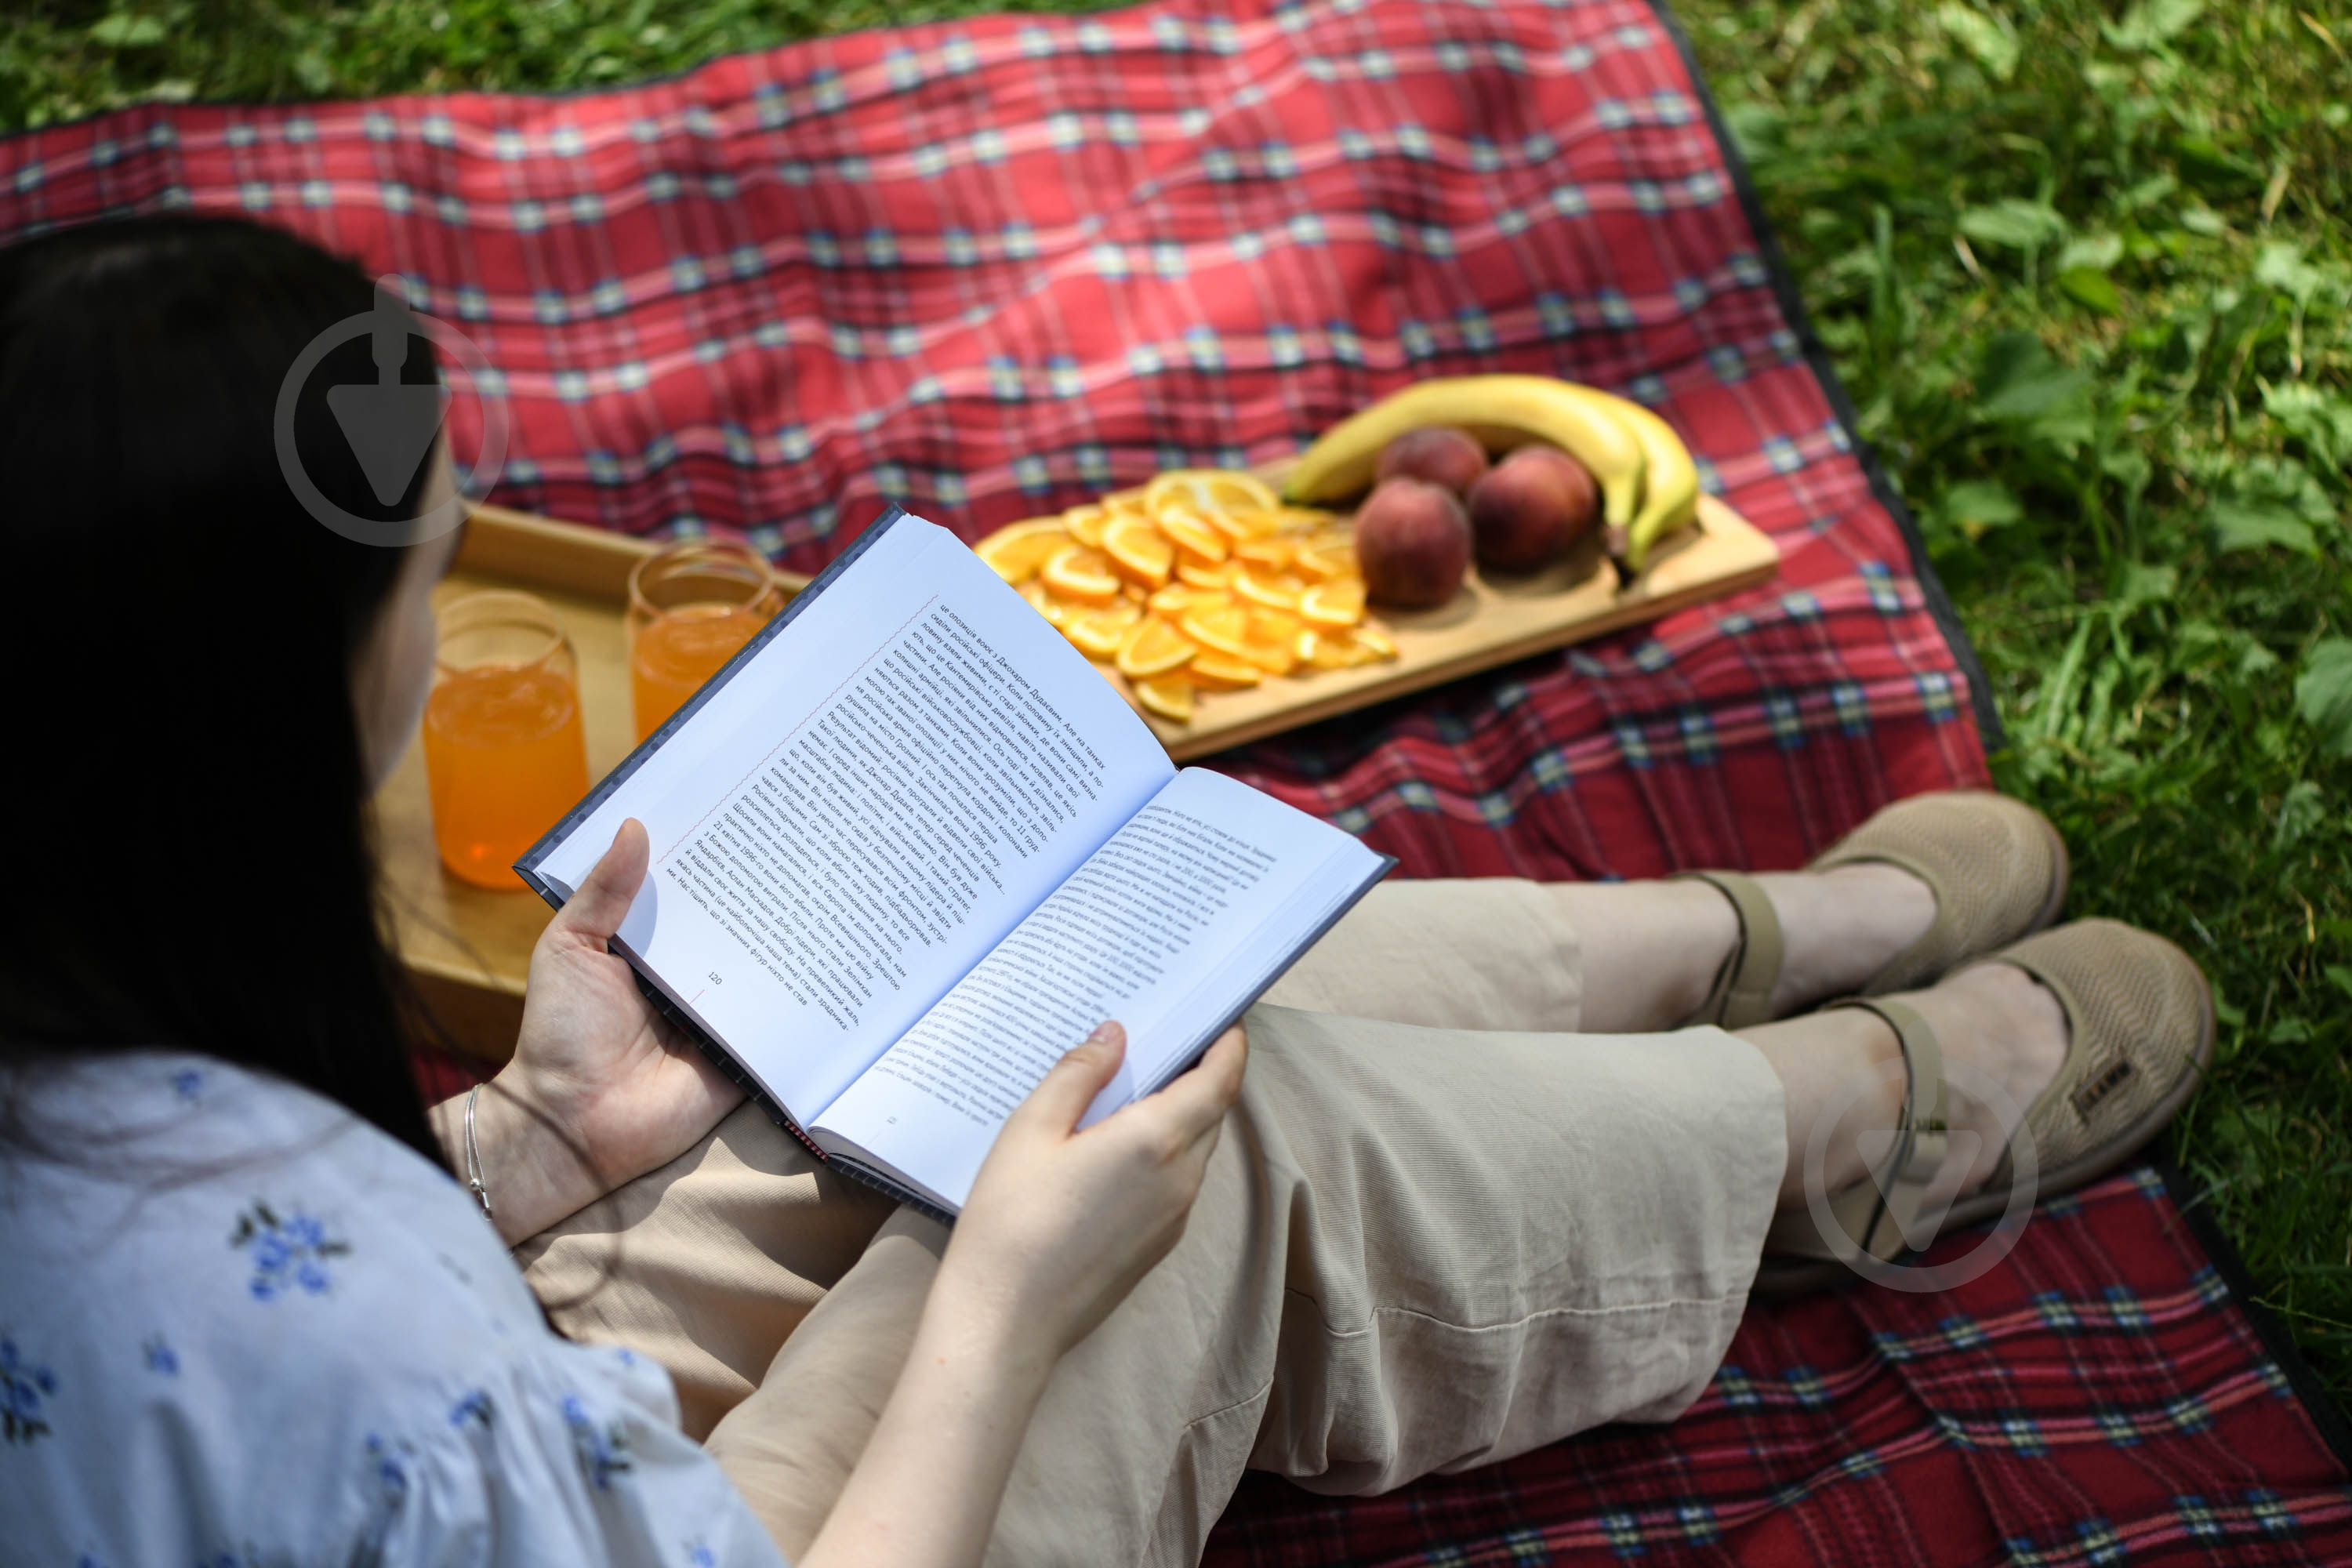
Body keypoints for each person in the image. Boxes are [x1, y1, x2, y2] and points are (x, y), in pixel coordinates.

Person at [0, 215, 2213, 1567]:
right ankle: (1826, 1130)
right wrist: (1001, 1311)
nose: (458, 589)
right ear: (244, 756)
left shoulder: (127, 1093)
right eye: (423, 599)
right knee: (1163, 1137)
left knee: (910, 1045)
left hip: (497, 1444)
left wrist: (529, 1143)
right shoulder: (320, 1329)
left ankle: (1726, 948)